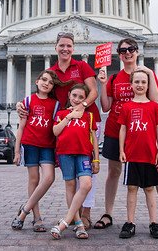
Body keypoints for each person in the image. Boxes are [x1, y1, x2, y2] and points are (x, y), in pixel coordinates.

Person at [94, 37, 158, 233]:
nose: (128, 53)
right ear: (118, 54)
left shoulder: (146, 75)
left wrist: (149, 72)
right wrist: (102, 84)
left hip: (142, 131)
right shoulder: (113, 79)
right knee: (114, 172)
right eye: (124, 50)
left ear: (137, 51)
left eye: (132, 49)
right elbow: (106, 106)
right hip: (116, 130)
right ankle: (108, 213)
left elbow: (154, 99)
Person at [17, 31, 100, 229]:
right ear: (55, 47)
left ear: (73, 48)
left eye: (69, 46)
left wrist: (81, 107)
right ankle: (74, 215)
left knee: (88, 172)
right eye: (61, 45)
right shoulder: (51, 72)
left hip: (86, 121)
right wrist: (23, 105)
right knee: (70, 174)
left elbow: (94, 91)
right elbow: (42, 94)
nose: (65, 49)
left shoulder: (81, 65)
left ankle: (85, 214)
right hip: (62, 124)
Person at [11, 69, 68, 232]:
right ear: (37, 81)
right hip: (30, 144)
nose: (46, 83)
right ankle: (37, 218)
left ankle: (24, 211)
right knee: (34, 180)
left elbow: (56, 128)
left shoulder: (55, 104)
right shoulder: (28, 101)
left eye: (50, 82)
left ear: (52, 87)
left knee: (49, 178)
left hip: (47, 145)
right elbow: (21, 127)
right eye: (44, 79)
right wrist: (16, 151)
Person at [117, 70, 158, 239]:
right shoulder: (127, 106)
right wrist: (121, 150)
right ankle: (130, 223)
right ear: (131, 85)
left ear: (148, 85)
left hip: (149, 154)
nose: (140, 85)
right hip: (132, 155)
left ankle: (154, 223)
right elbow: (122, 129)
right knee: (131, 188)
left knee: (150, 189)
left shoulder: (154, 106)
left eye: (143, 82)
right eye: (136, 82)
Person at [49, 84, 100, 240]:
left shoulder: (88, 116)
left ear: (85, 100)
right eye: (74, 96)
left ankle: (64, 222)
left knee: (86, 185)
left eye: (81, 97)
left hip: (84, 154)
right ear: (69, 95)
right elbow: (55, 131)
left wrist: (96, 159)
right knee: (70, 186)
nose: (77, 99)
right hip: (65, 154)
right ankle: (78, 224)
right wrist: (69, 117)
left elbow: (94, 139)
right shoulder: (61, 113)